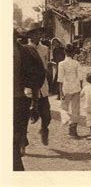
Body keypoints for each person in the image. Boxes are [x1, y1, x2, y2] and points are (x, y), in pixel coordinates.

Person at [14, 28, 46, 171]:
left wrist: (34, 102)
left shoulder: (25, 52)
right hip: (19, 100)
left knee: (13, 140)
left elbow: (37, 75)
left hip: (18, 100)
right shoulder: (26, 51)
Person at [26, 28, 51, 146]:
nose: (35, 36)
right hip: (29, 88)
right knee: (25, 115)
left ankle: (44, 129)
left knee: (47, 115)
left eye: (37, 33)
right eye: (32, 33)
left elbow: (46, 66)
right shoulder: (25, 49)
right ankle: (22, 140)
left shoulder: (45, 49)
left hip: (42, 87)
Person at [57, 44, 83, 139]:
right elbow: (80, 78)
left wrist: (60, 93)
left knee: (63, 108)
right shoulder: (76, 63)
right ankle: (73, 130)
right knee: (75, 109)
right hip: (76, 87)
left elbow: (60, 79)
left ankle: (67, 121)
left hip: (66, 88)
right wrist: (80, 87)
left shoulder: (61, 64)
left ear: (64, 52)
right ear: (73, 53)